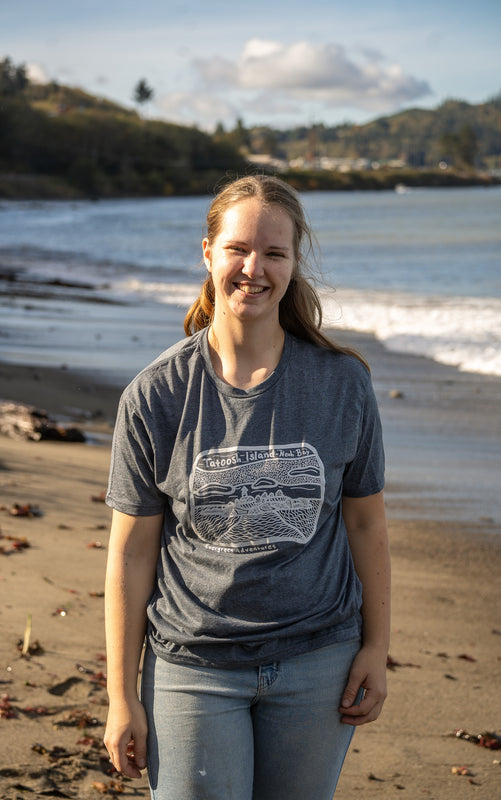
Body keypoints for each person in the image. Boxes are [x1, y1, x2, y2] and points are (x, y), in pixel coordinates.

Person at [103, 174, 391, 800]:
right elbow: (130, 555)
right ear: (207, 253)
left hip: (320, 661)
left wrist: (376, 646)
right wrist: (120, 696)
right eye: (237, 248)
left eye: (274, 253)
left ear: (293, 264)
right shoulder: (155, 395)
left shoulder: (344, 386)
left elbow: (366, 524)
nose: (253, 268)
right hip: (192, 666)